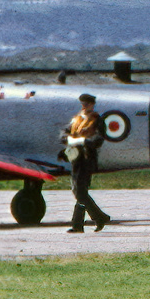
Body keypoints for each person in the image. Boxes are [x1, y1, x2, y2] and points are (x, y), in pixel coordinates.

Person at [62, 93, 111, 232]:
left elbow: (99, 139)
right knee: (79, 191)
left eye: (87, 104)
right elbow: (64, 133)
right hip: (76, 158)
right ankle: (93, 219)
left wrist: (84, 141)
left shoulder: (96, 120)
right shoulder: (76, 119)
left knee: (80, 192)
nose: (84, 106)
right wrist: (68, 139)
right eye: (83, 104)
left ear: (92, 105)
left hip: (87, 158)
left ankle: (87, 221)